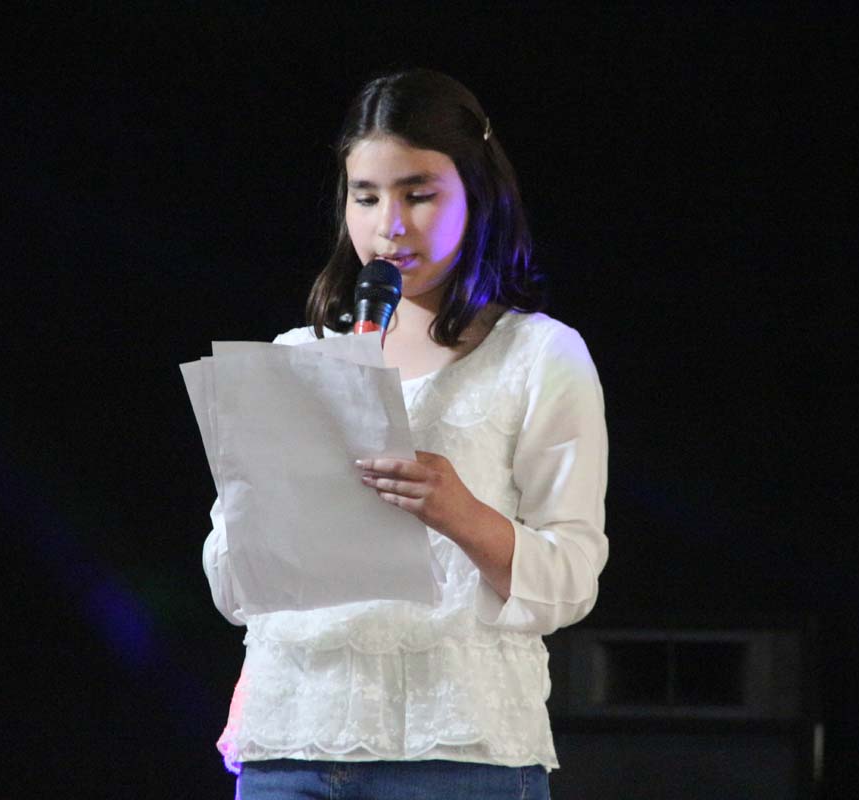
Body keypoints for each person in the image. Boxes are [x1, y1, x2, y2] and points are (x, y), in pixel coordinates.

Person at [202, 69, 608, 799]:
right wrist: (261, 515)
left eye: (418, 194)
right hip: (288, 742)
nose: (389, 224)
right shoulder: (296, 357)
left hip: (455, 752)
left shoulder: (539, 355)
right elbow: (233, 591)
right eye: (366, 196)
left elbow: (571, 581)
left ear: (476, 193)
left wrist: (462, 513)